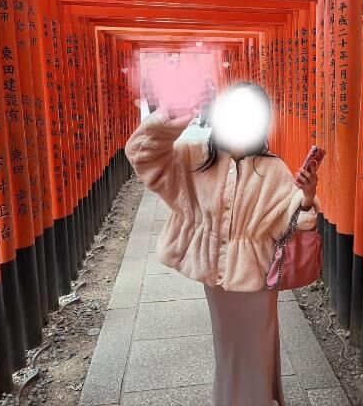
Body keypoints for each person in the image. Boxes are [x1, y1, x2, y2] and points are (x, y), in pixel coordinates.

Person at [125, 80, 321, 406]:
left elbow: (292, 224)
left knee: (258, 347)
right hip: (216, 281)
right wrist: (176, 112)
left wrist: (307, 196)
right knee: (227, 347)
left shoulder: (272, 168)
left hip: (256, 282)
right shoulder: (195, 158)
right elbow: (141, 154)